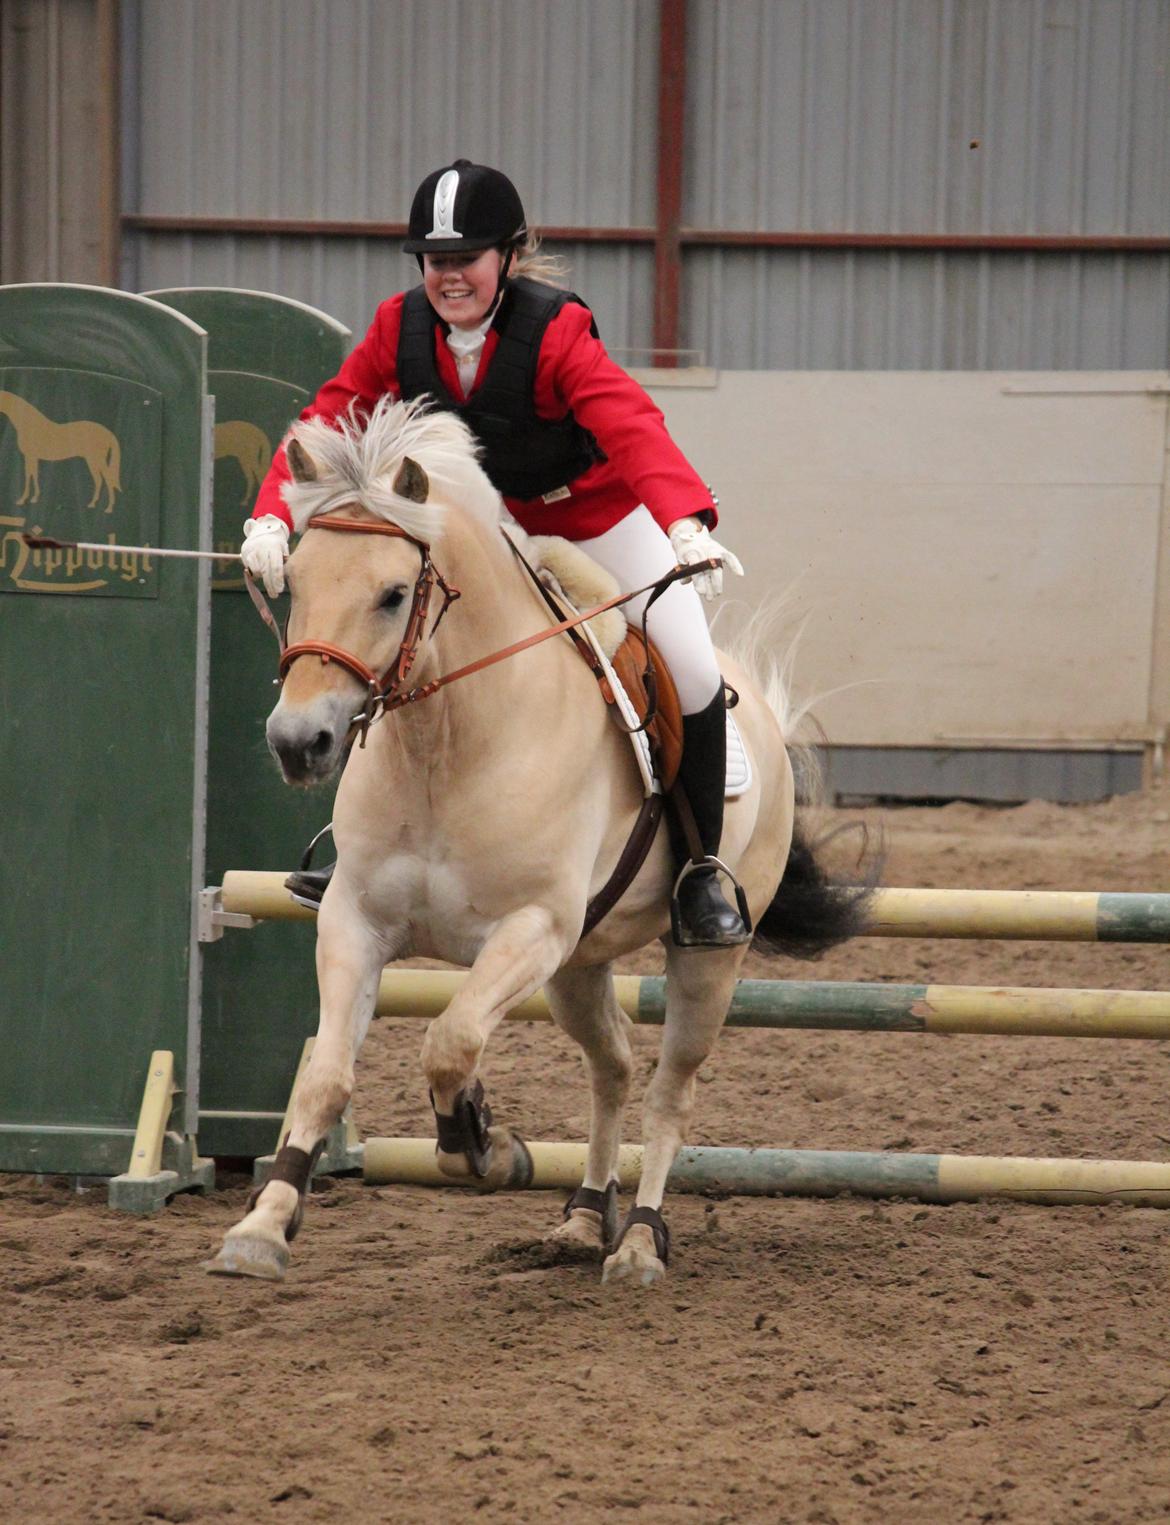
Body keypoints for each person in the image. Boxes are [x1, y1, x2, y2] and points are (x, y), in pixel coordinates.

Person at [241, 158, 748, 946]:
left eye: (466, 258)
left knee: (690, 667)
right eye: (436, 261)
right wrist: (273, 517)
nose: (449, 277)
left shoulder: (557, 331)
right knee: (395, 644)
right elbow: (328, 416)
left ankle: (700, 872)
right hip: (493, 534)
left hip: (599, 520)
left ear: (506, 259)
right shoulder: (396, 327)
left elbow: (630, 424)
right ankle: (361, 858)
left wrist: (684, 519)